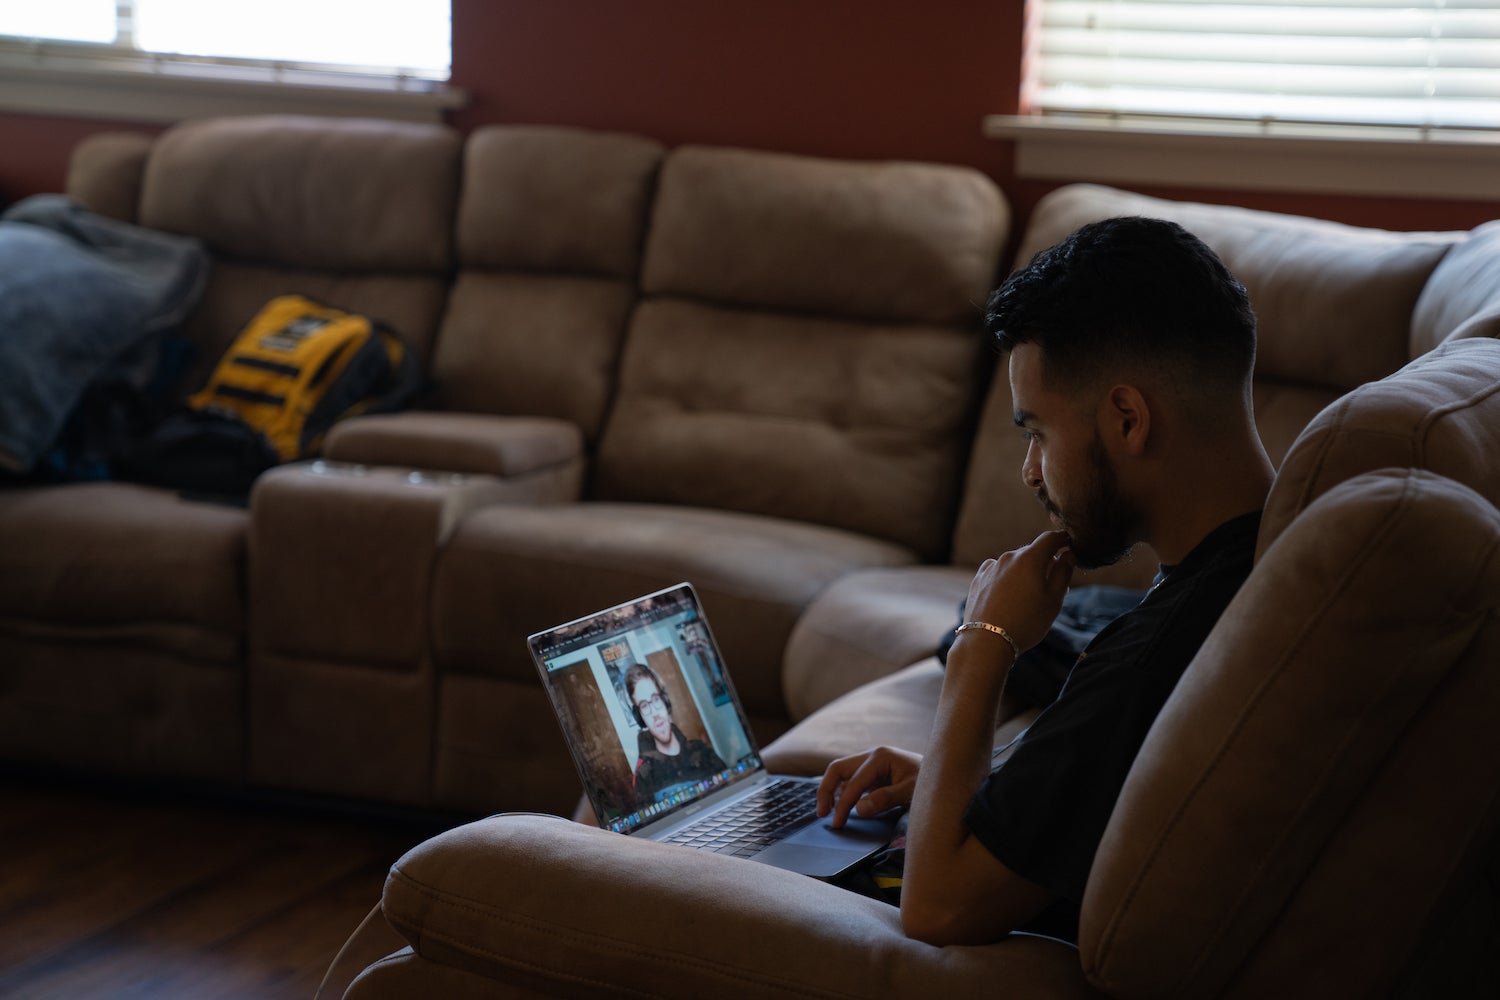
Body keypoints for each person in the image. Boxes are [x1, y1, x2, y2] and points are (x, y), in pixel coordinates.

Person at [816, 216, 1275, 947]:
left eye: (1037, 433)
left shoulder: (1157, 654)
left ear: (1127, 418)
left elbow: (937, 910)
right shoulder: (1252, 564)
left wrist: (982, 642)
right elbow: (1097, 775)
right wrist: (965, 781)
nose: (1031, 471)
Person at [624, 662, 728, 808]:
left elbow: (731, 790)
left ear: (665, 701)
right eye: (644, 706)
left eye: (655, 699)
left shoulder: (702, 751)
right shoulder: (644, 776)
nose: (654, 713)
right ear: (640, 718)